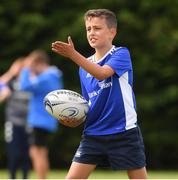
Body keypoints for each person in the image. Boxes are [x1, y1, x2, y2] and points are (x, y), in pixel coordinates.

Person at [52, 9, 148, 179]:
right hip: (93, 134)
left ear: (112, 32)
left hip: (123, 132)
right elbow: (87, 105)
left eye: (97, 28)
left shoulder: (121, 53)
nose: (91, 33)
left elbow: (102, 73)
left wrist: (73, 54)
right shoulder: (84, 67)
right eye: (88, 29)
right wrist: (74, 119)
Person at [19, 50, 63, 179]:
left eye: (33, 65)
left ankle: (41, 178)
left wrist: (26, 69)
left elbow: (24, 86)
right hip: (45, 120)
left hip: (39, 120)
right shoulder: (53, 75)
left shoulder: (47, 77)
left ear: (39, 63)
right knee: (41, 151)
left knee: (37, 152)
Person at [0, 58, 31, 179]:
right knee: (14, 153)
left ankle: (25, 177)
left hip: (29, 124)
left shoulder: (30, 84)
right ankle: (12, 177)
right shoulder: (11, 84)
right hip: (13, 123)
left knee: (26, 154)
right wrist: (11, 72)